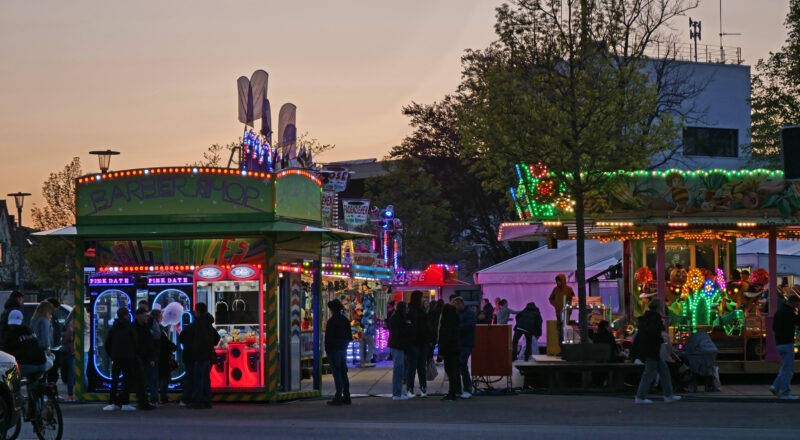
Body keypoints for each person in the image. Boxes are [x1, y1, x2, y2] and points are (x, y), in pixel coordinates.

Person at [633, 299, 681, 404]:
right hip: (652, 349)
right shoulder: (655, 318)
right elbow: (653, 333)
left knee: (663, 370)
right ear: (659, 307)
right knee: (650, 372)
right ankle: (640, 396)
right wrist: (660, 340)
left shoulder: (647, 317)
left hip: (649, 349)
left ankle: (668, 394)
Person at [3, 309, 50, 417]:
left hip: (26, 366)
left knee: (10, 379)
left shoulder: (11, 334)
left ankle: (17, 403)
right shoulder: (30, 330)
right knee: (33, 384)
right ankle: (35, 410)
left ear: (10, 322)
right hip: (42, 364)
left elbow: (6, 353)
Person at [103, 308, 146, 411]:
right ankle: (125, 403)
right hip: (128, 357)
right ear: (127, 315)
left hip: (116, 357)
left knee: (114, 380)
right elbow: (135, 341)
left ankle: (112, 403)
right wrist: (134, 353)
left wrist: (112, 355)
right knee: (127, 380)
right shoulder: (130, 326)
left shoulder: (113, 327)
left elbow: (107, 343)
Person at [769, 286, 800, 399]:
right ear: (793, 303)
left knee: (785, 366)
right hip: (788, 343)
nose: (797, 307)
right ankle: (785, 392)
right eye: (797, 305)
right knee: (788, 369)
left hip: (779, 343)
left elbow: (774, 328)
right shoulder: (790, 313)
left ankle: (775, 386)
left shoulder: (778, 312)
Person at [191, 302, 220, 409]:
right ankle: (207, 400)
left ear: (198, 311)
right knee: (206, 379)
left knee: (199, 379)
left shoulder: (200, 324)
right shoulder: (208, 323)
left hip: (201, 356)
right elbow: (216, 338)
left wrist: (195, 351)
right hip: (208, 355)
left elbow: (199, 341)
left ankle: (198, 401)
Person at [324, 299, 352, 406]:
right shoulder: (345, 320)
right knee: (343, 372)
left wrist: (328, 349)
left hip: (334, 350)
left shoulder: (331, 322)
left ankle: (338, 396)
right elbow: (349, 336)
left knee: (337, 373)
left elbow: (328, 338)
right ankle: (347, 395)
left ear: (331, 310)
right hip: (342, 349)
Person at [405, 291, 430, 398]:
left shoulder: (415, 310)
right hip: (416, 342)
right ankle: (416, 388)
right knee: (415, 367)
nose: (423, 299)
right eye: (421, 297)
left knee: (418, 367)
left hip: (419, 342)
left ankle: (418, 388)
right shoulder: (414, 311)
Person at [133, 307, 157, 410]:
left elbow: (149, 344)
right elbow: (145, 343)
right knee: (142, 380)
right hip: (139, 357)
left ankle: (143, 401)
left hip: (144, 357)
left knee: (144, 380)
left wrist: (151, 357)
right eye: (144, 315)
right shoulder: (137, 328)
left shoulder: (143, 327)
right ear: (138, 316)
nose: (146, 317)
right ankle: (143, 402)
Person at [387, 301, 412, 400]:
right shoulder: (398, 319)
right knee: (398, 369)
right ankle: (397, 393)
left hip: (397, 345)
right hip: (398, 346)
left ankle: (397, 392)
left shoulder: (395, 318)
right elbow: (400, 333)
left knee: (399, 370)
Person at [452, 296, 476, 399]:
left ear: (461, 303)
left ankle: (467, 389)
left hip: (466, 343)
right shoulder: (461, 313)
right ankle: (459, 390)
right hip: (461, 343)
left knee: (462, 366)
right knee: (459, 366)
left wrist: (457, 327)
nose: (455, 308)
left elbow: (470, 325)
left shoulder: (469, 313)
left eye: (456, 305)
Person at [437, 304, 461, 401]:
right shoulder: (455, 321)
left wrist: (441, 352)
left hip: (448, 351)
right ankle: (453, 391)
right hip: (455, 350)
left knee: (450, 371)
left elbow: (444, 339)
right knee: (454, 371)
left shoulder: (445, 323)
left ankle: (452, 393)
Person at [156, 311, 177, 404]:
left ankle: (160, 397)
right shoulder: (159, 329)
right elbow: (165, 343)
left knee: (162, 377)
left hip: (161, 356)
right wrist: (173, 347)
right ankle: (162, 397)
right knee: (163, 377)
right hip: (163, 357)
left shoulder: (159, 328)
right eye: (161, 315)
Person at [44, 298, 63, 385]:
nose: (57, 310)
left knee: (53, 372)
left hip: (55, 347)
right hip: (48, 348)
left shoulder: (53, 317)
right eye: (57, 307)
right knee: (47, 371)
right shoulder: (45, 318)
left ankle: (52, 389)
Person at [178, 319, 195, 407]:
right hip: (198, 356)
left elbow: (180, 339)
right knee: (199, 378)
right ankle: (197, 398)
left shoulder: (188, 328)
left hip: (188, 356)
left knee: (189, 378)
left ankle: (186, 399)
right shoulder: (204, 327)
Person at [60, 308, 76, 401]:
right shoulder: (86, 322)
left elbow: (67, 338)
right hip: (78, 350)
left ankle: (70, 395)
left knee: (71, 373)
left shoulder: (71, 323)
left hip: (71, 351)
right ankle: (84, 392)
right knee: (78, 373)